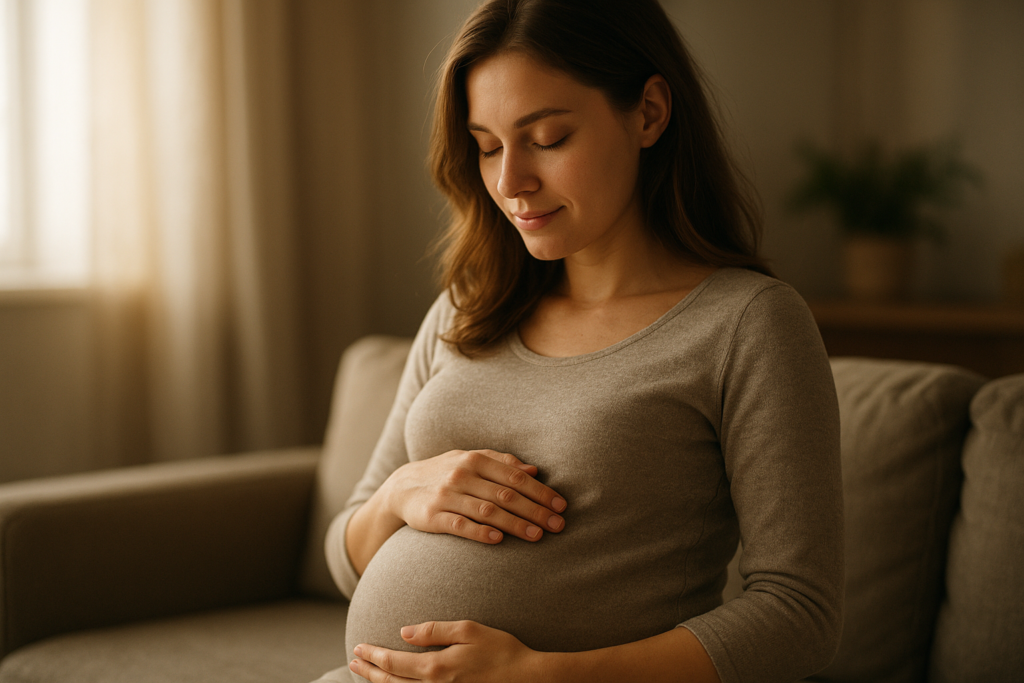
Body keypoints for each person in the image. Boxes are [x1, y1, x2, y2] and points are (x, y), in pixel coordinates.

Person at [320, 1, 844, 681]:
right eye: (487, 146)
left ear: (649, 113)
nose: (510, 182)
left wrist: (545, 675)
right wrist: (398, 493)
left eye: (548, 138)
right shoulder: (466, 309)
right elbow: (344, 561)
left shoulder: (747, 324)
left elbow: (800, 615)